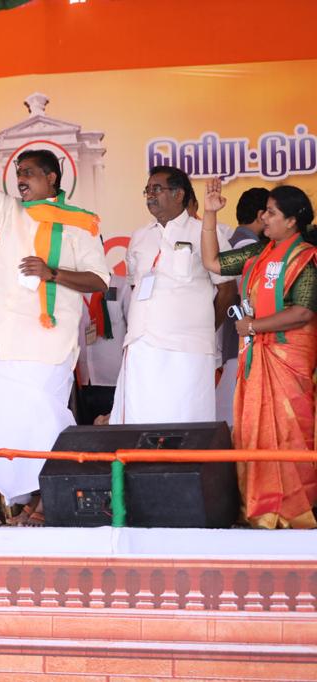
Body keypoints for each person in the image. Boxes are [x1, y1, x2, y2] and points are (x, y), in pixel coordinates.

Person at [0, 93, 109, 524]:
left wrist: (53, 273)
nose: (20, 180)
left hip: (47, 341)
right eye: (17, 173)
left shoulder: (82, 222)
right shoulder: (11, 212)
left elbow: (98, 280)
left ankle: (44, 506)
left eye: (30, 174)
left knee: (42, 425)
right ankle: (21, 504)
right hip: (4, 341)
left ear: (53, 177)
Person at [200, 181, 317, 529]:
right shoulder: (257, 254)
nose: (263, 218)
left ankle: (298, 511)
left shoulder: (306, 258)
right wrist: (209, 213)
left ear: (292, 221)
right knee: (255, 430)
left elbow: (304, 312)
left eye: (271, 212)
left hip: (289, 360)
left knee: (291, 432)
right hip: (256, 360)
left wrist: (254, 326)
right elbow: (213, 262)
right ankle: (261, 508)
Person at [111, 166, 237, 425]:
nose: (150, 195)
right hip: (141, 342)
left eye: (157, 189)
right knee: (140, 420)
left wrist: (204, 327)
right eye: (147, 190)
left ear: (179, 194)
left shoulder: (206, 233)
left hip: (187, 348)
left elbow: (227, 289)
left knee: (185, 420)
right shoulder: (139, 236)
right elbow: (136, 286)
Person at [216, 188, 269, 427]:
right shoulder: (251, 247)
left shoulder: (233, 241)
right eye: (270, 212)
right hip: (246, 344)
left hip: (236, 343)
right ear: (261, 216)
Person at [75, 268, 130, 424]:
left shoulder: (121, 285)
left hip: (113, 379)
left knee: (112, 436)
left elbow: (133, 328)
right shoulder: (72, 287)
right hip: (82, 380)